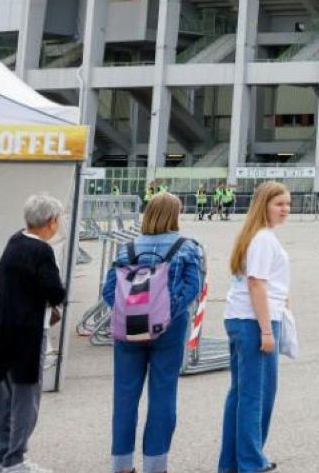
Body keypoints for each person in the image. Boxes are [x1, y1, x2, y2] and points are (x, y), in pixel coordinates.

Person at [101, 192, 205, 473]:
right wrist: (164, 313)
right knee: (162, 395)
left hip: (129, 330)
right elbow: (193, 286)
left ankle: (121, 465)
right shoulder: (187, 247)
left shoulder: (126, 248)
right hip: (168, 331)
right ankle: (155, 465)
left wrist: (131, 312)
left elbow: (109, 290)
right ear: (175, 215)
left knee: (124, 397)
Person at [0, 194, 69, 473]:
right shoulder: (41, 251)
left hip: (0, 330)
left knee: (3, 397)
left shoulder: (14, 241)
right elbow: (55, 291)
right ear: (51, 221)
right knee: (25, 399)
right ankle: (15, 460)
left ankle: (1, 457)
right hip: (26, 335)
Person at [219, 182, 294, 473]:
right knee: (257, 393)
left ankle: (232, 461)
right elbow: (256, 284)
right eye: (279, 204)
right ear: (264, 205)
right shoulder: (263, 238)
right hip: (254, 321)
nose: (285, 209)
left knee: (241, 393)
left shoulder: (256, 235)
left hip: (242, 318)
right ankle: (250, 461)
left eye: (288, 204)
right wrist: (266, 330)